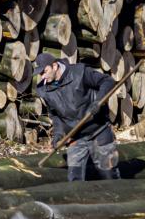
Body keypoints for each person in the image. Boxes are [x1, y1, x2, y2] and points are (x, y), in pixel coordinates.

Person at [33, 54, 120, 182]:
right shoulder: (44, 90)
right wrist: (58, 135)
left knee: (108, 174)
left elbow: (108, 81)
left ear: (55, 66)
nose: (43, 76)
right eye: (40, 74)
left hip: (99, 129)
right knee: (74, 179)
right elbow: (55, 116)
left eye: (45, 71)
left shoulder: (79, 72)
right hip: (75, 136)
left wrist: (98, 102)